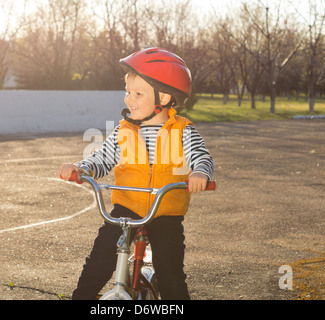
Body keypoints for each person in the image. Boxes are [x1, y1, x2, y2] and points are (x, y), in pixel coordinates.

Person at [59, 47, 214, 300]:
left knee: (171, 276)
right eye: (128, 92)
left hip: (165, 212)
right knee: (98, 261)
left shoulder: (183, 130)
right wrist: (81, 168)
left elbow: (201, 157)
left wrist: (200, 173)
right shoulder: (125, 130)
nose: (129, 99)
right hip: (126, 207)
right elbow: (102, 158)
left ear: (163, 98)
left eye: (138, 93)